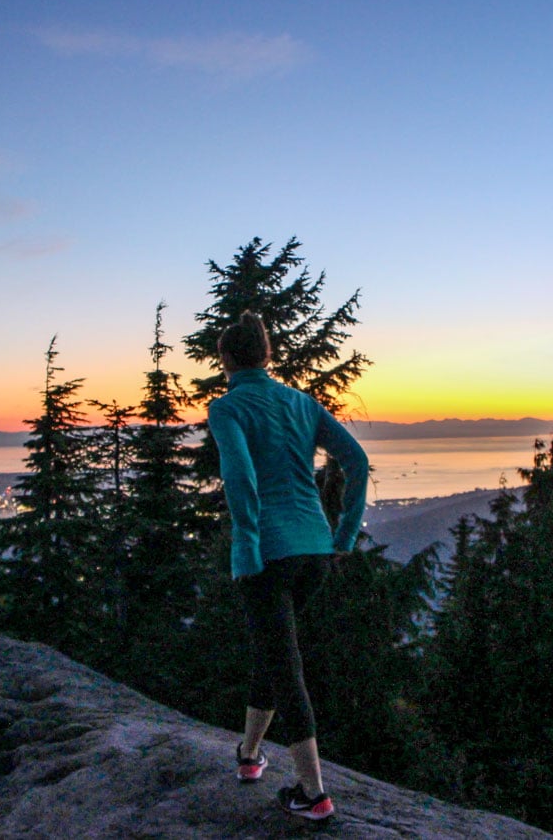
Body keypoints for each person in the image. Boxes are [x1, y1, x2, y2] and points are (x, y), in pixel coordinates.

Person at [207, 311, 369, 822]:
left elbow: (238, 476)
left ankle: (313, 793)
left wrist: (248, 546)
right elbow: (358, 462)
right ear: (267, 355)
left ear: (226, 360)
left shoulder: (228, 408)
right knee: (273, 652)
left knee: (284, 664)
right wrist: (343, 537)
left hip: (269, 555)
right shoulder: (302, 403)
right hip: (316, 552)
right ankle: (250, 756)